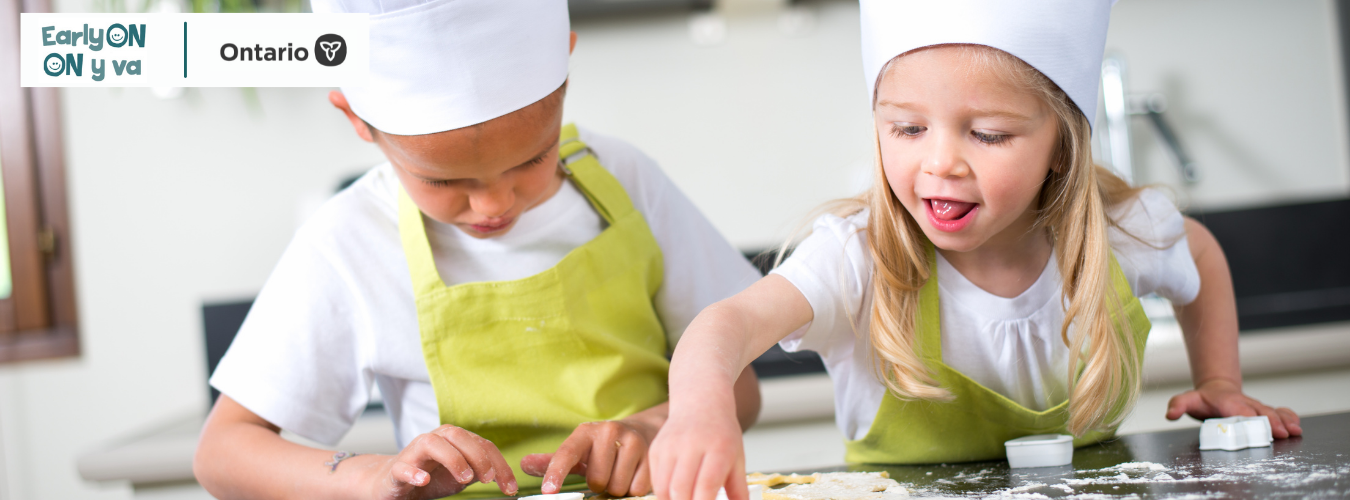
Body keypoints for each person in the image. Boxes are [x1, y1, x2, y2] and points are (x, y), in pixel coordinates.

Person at [648, 2, 1301, 499]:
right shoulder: (856, 261)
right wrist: (702, 411)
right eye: (906, 127)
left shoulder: (1121, 235)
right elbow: (725, 325)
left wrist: (1219, 381)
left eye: (987, 134)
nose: (940, 163)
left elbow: (1202, 255)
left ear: (1061, 146)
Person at [193, 1, 762, 499]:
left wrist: (656, 426)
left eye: (533, 159)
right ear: (357, 120)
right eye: (443, 182)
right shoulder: (350, 241)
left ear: (564, 69)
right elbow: (222, 454)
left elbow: (739, 387)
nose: (494, 204)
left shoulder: (624, 183)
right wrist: (373, 477)